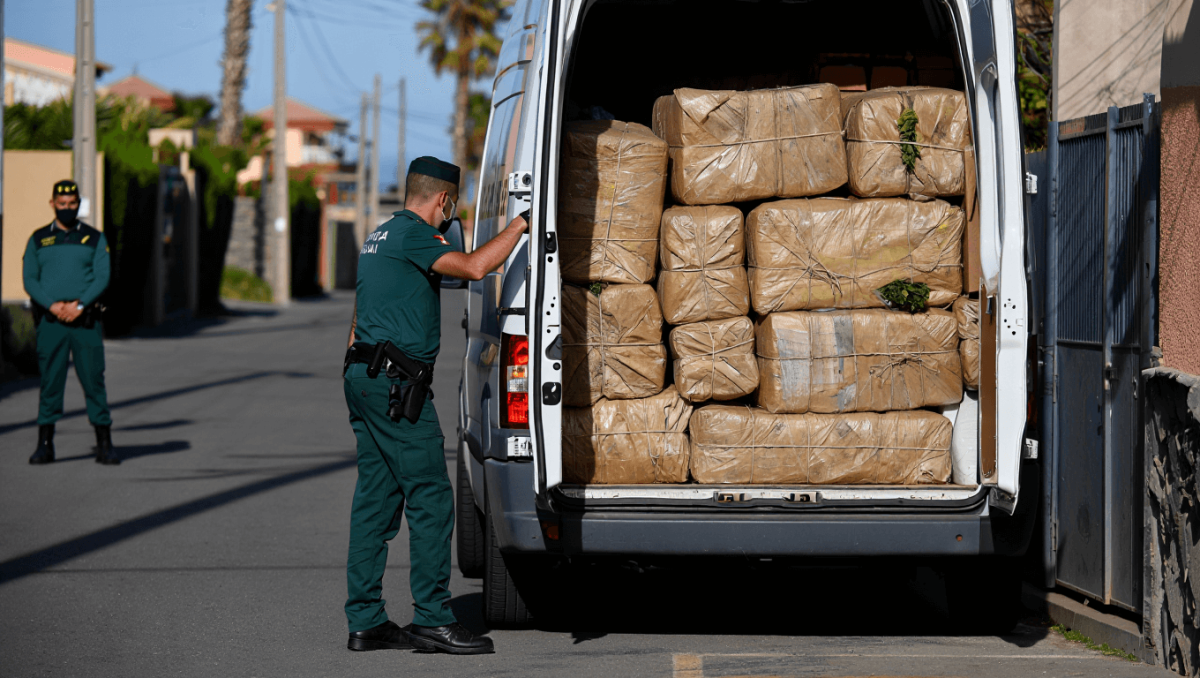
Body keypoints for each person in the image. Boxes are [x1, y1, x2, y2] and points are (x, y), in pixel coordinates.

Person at [342, 156, 527, 655]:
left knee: (376, 501)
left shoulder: (379, 235)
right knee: (431, 498)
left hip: (363, 375)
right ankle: (432, 619)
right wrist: (521, 224)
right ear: (444, 200)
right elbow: (473, 267)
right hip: (397, 385)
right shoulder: (415, 235)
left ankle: (366, 621)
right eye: (453, 205)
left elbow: (362, 313)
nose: (452, 214)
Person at [23, 179, 118, 466]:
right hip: (52, 322)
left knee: (93, 380)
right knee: (51, 381)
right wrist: (52, 305)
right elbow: (30, 278)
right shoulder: (38, 239)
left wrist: (79, 305)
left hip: (85, 321)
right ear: (52, 204)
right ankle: (45, 444)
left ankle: (104, 443)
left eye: (72, 204)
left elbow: (102, 276)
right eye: (61, 204)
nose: (67, 208)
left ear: (79, 204)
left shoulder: (94, 238)